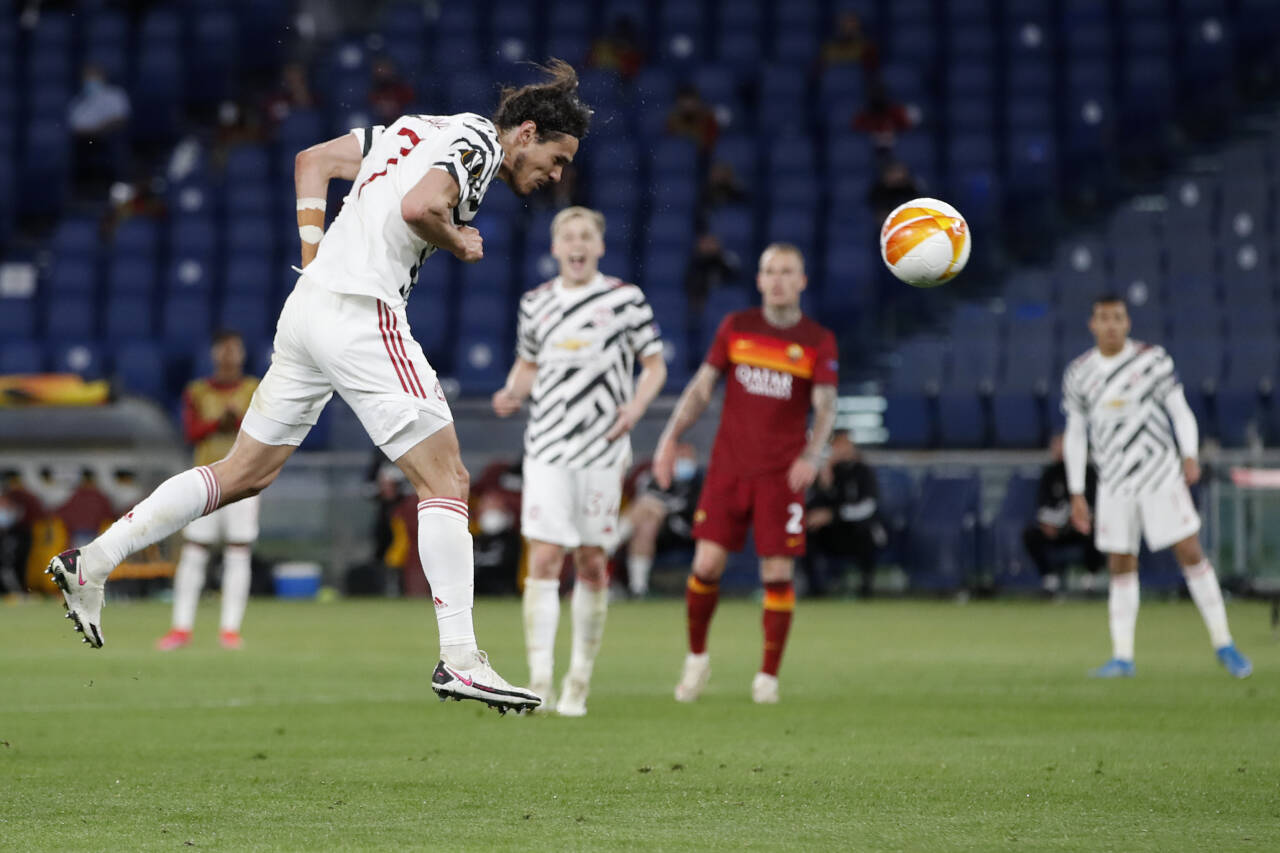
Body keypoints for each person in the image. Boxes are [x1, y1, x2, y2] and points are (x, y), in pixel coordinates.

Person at [47, 60, 592, 715]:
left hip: (309, 310)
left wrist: (312, 261)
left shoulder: (415, 127)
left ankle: (94, 560)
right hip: (362, 310)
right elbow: (422, 207)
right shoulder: (477, 141)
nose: (557, 175)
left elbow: (312, 161)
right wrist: (458, 240)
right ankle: (463, 658)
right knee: (446, 480)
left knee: (242, 471)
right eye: (557, 158)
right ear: (525, 132)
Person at [492, 206, 666, 716]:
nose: (577, 243)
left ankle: (580, 681)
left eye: (586, 235)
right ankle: (541, 679)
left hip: (602, 449)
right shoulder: (536, 304)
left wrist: (635, 407)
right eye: (568, 235)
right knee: (545, 558)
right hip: (547, 448)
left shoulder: (625, 300)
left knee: (592, 560)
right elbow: (527, 365)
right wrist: (510, 393)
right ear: (554, 248)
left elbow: (653, 365)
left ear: (600, 246)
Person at [653, 243, 838, 704]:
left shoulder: (818, 340)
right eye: (769, 271)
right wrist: (669, 437)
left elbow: (826, 406)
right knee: (706, 565)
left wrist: (812, 456)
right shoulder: (737, 328)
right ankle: (696, 660)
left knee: (776, 572)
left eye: (787, 271)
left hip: (781, 475)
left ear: (802, 281)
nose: (777, 279)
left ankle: (767, 677)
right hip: (729, 468)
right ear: (758, 280)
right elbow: (701, 388)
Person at [1063, 295, 1251, 678]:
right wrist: (1077, 491)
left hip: (1158, 474)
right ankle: (1123, 657)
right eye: (1104, 318)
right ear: (1092, 324)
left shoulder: (1153, 361)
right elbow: (1076, 434)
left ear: (1128, 322)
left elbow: (1180, 410)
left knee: (1189, 550)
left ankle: (1224, 644)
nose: (1111, 324)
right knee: (1120, 562)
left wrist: (1189, 453)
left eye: (1118, 317)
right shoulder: (1079, 373)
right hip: (1114, 481)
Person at [156, 331, 261, 651]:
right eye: (224, 349)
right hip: (206, 478)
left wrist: (237, 420)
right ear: (214, 353)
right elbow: (190, 432)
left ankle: (230, 629)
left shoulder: (254, 389)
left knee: (238, 550)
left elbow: (264, 429)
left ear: (242, 354)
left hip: (244, 480)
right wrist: (219, 424)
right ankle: (181, 628)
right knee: (194, 551)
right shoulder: (197, 391)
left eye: (234, 349)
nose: (229, 355)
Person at [805, 432, 885, 598]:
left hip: (856, 530)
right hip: (833, 533)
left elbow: (867, 507)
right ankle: (814, 590)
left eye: (844, 444)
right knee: (806, 533)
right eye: (836, 445)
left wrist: (833, 515)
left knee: (866, 535)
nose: (839, 449)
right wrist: (824, 481)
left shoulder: (863, 472)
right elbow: (814, 506)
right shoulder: (827, 473)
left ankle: (866, 591)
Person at [1022, 433, 1102, 596]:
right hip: (1057, 528)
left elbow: (1096, 504)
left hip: (1081, 528)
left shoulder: (1088, 472)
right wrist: (1048, 522)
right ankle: (1049, 579)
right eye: (1056, 446)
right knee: (1031, 534)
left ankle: (1090, 579)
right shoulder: (1050, 474)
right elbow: (1043, 505)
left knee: (1095, 533)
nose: (1058, 450)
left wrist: (1084, 518)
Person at [624, 442, 703, 597]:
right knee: (647, 526)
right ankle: (638, 588)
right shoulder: (658, 478)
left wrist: (662, 508)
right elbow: (644, 495)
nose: (684, 461)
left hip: (688, 531)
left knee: (649, 506)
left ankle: (611, 542)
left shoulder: (699, 482)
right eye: (680, 457)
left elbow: (694, 511)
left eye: (687, 457)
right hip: (661, 531)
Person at [67, 63, 131, 192]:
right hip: (84, 140)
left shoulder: (115, 94)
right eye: (87, 77)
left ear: (102, 77)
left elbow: (122, 118)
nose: (90, 81)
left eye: (93, 76)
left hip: (108, 137)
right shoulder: (79, 101)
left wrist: (102, 128)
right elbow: (72, 125)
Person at [665, 84, 720, 153]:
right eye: (684, 102)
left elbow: (711, 144)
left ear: (697, 102)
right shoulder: (672, 121)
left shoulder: (708, 118)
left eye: (691, 102)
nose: (688, 106)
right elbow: (671, 145)